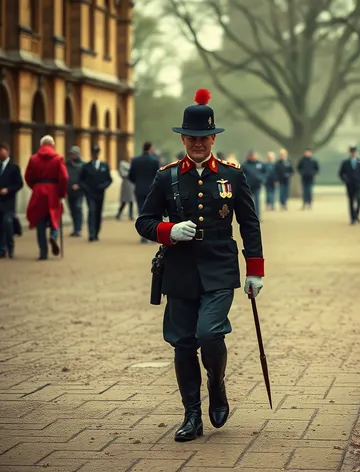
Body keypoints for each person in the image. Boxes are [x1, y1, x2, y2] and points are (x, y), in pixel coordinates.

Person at [135, 88, 264, 442]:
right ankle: (192, 414)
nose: (197, 144)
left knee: (209, 334)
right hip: (179, 271)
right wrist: (169, 230)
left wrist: (255, 270)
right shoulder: (167, 177)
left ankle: (217, 384)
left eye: (204, 137)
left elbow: (249, 223)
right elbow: (143, 221)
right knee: (183, 342)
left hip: (220, 269)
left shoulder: (232, 175)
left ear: (212, 138)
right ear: (183, 138)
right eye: (191, 138)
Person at [24, 135, 68, 260]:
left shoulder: (33, 159)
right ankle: (53, 236)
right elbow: (64, 177)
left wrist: (35, 186)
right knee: (55, 216)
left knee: (40, 222)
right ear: (52, 145)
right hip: (53, 191)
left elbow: (28, 176)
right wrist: (61, 192)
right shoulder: (58, 159)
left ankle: (43, 253)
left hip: (39, 191)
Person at [79, 145, 112, 241]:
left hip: (100, 194)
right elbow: (81, 180)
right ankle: (91, 233)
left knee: (98, 213)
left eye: (96, 152)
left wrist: (103, 186)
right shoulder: (86, 166)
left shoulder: (104, 166)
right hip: (90, 194)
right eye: (93, 153)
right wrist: (86, 188)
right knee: (91, 212)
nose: (95, 154)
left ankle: (96, 232)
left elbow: (109, 179)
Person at [129, 142, 160, 243]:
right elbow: (158, 176)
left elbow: (131, 176)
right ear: (150, 148)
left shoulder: (135, 160)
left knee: (141, 212)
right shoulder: (155, 161)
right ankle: (151, 235)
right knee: (152, 212)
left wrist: (138, 182)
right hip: (152, 190)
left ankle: (143, 236)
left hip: (139, 189)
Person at [0, 142, 24, 258]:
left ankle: (10, 246)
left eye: (1, 151)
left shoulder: (14, 167)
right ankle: (2, 249)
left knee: (7, 223)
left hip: (8, 202)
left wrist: (8, 190)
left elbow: (19, 184)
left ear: (7, 152)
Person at [339, 145, 360, 225]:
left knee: (358, 200)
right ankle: (352, 218)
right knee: (351, 201)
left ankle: (356, 214)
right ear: (350, 153)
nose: (353, 153)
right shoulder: (345, 162)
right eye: (352, 152)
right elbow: (341, 173)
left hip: (358, 183)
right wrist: (345, 180)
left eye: (354, 152)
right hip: (349, 184)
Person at [65, 145, 85, 237]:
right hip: (69, 191)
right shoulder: (66, 165)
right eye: (71, 154)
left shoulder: (83, 165)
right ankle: (75, 228)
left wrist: (79, 185)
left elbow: (85, 179)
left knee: (78, 208)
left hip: (79, 191)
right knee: (72, 210)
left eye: (74, 154)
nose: (72, 156)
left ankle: (78, 229)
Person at [241, 150, 266, 218]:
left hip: (257, 185)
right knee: (248, 201)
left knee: (257, 201)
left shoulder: (260, 164)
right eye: (251, 155)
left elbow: (265, 172)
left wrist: (262, 178)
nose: (252, 157)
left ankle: (257, 215)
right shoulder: (245, 165)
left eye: (253, 155)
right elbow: (241, 174)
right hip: (248, 186)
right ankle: (249, 216)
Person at [117, 157, 135, 221]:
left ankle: (130, 215)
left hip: (131, 184)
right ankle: (118, 214)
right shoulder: (123, 165)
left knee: (131, 201)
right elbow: (123, 174)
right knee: (124, 201)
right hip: (126, 184)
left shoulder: (132, 167)